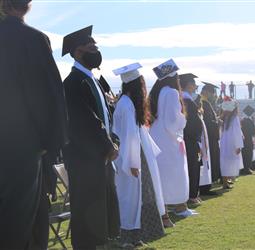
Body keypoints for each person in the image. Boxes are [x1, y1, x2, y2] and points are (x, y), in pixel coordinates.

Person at [0, 1, 68, 249]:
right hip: (23, 147)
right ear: (26, 6)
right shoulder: (33, 39)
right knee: (20, 222)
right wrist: (50, 143)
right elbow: (49, 94)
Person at [62, 26, 120, 250]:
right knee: (87, 212)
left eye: (96, 45)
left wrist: (114, 142)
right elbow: (85, 121)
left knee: (103, 212)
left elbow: (106, 118)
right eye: (91, 46)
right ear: (77, 52)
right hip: (85, 159)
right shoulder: (73, 83)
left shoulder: (93, 80)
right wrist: (108, 145)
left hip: (100, 157)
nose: (95, 50)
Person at [112, 63, 165, 247]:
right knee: (130, 198)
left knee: (139, 197)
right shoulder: (126, 105)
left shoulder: (128, 103)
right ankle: (128, 238)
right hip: (130, 159)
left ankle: (136, 236)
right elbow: (128, 137)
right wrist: (132, 163)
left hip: (135, 156)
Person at [149, 59, 196, 227]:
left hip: (158, 135)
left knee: (164, 173)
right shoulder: (171, 93)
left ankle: (170, 207)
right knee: (174, 172)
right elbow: (172, 120)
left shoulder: (159, 92)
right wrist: (183, 119)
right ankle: (179, 206)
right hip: (169, 138)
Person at [180, 73, 203, 205]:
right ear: (188, 85)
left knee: (192, 166)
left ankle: (192, 193)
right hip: (190, 139)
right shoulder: (186, 101)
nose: (195, 86)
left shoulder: (186, 99)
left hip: (189, 138)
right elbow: (191, 123)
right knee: (192, 166)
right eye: (193, 84)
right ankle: (191, 195)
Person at [200, 82, 221, 193]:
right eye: (213, 93)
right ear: (207, 92)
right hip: (208, 137)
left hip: (210, 137)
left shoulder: (206, 103)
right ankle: (205, 187)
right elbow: (208, 122)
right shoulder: (204, 103)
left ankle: (208, 184)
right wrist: (217, 123)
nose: (214, 95)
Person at [220, 96, 244, 189]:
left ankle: (225, 182)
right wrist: (239, 146)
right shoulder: (234, 118)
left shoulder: (224, 117)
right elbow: (237, 133)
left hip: (224, 143)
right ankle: (226, 182)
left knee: (224, 161)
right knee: (230, 162)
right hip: (232, 143)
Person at [241, 105, 255, 175]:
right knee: (248, 155)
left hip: (243, 140)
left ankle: (242, 169)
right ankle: (247, 169)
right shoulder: (250, 121)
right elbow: (254, 132)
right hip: (248, 140)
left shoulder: (242, 120)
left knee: (243, 154)